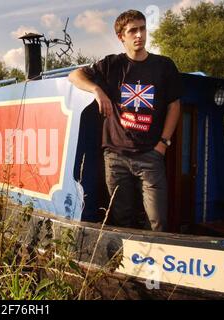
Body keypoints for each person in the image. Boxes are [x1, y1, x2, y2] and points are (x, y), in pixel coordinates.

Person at [68, 9, 182, 232]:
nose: (139, 35)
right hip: (115, 156)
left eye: (142, 28)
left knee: (157, 221)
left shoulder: (164, 66)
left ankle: (156, 265)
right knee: (122, 219)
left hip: (151, 154)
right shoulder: (112, 65)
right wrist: (97, 90)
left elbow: (174, 105)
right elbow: (74, 76)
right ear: (121, 36)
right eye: (133, 31)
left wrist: (163, 145)